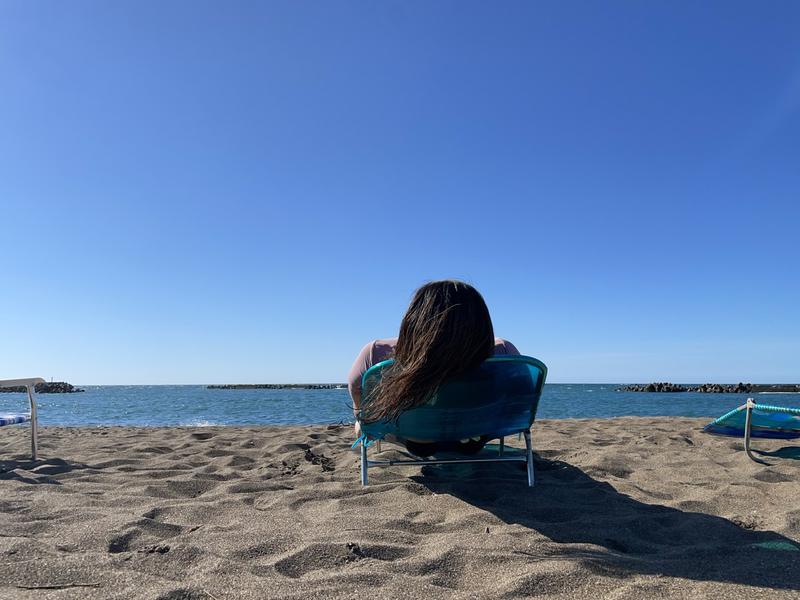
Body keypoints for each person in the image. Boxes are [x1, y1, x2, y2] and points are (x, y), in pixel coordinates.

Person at [347, 280, 520, 456]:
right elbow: (519, 401)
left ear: (414, 318)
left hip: (410, 430)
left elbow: (361, 405)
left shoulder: (375, 352)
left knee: (361, 424)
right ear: (482, 321)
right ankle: (470, 432)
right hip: (477, 426)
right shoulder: (504, 350)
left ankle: (420, 436)